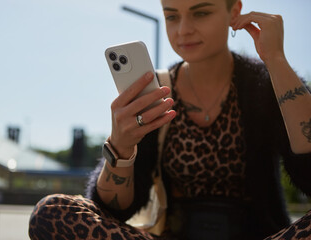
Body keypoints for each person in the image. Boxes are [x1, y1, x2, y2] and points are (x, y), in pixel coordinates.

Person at [28, 0, 311, 239]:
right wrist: (120, 148)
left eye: (201, 12)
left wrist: (276, 61)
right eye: (171, 16)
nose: (183, 30)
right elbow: (113, 211)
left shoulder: (264, 83)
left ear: (234, 11)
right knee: (51, 212)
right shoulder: (158, 92)